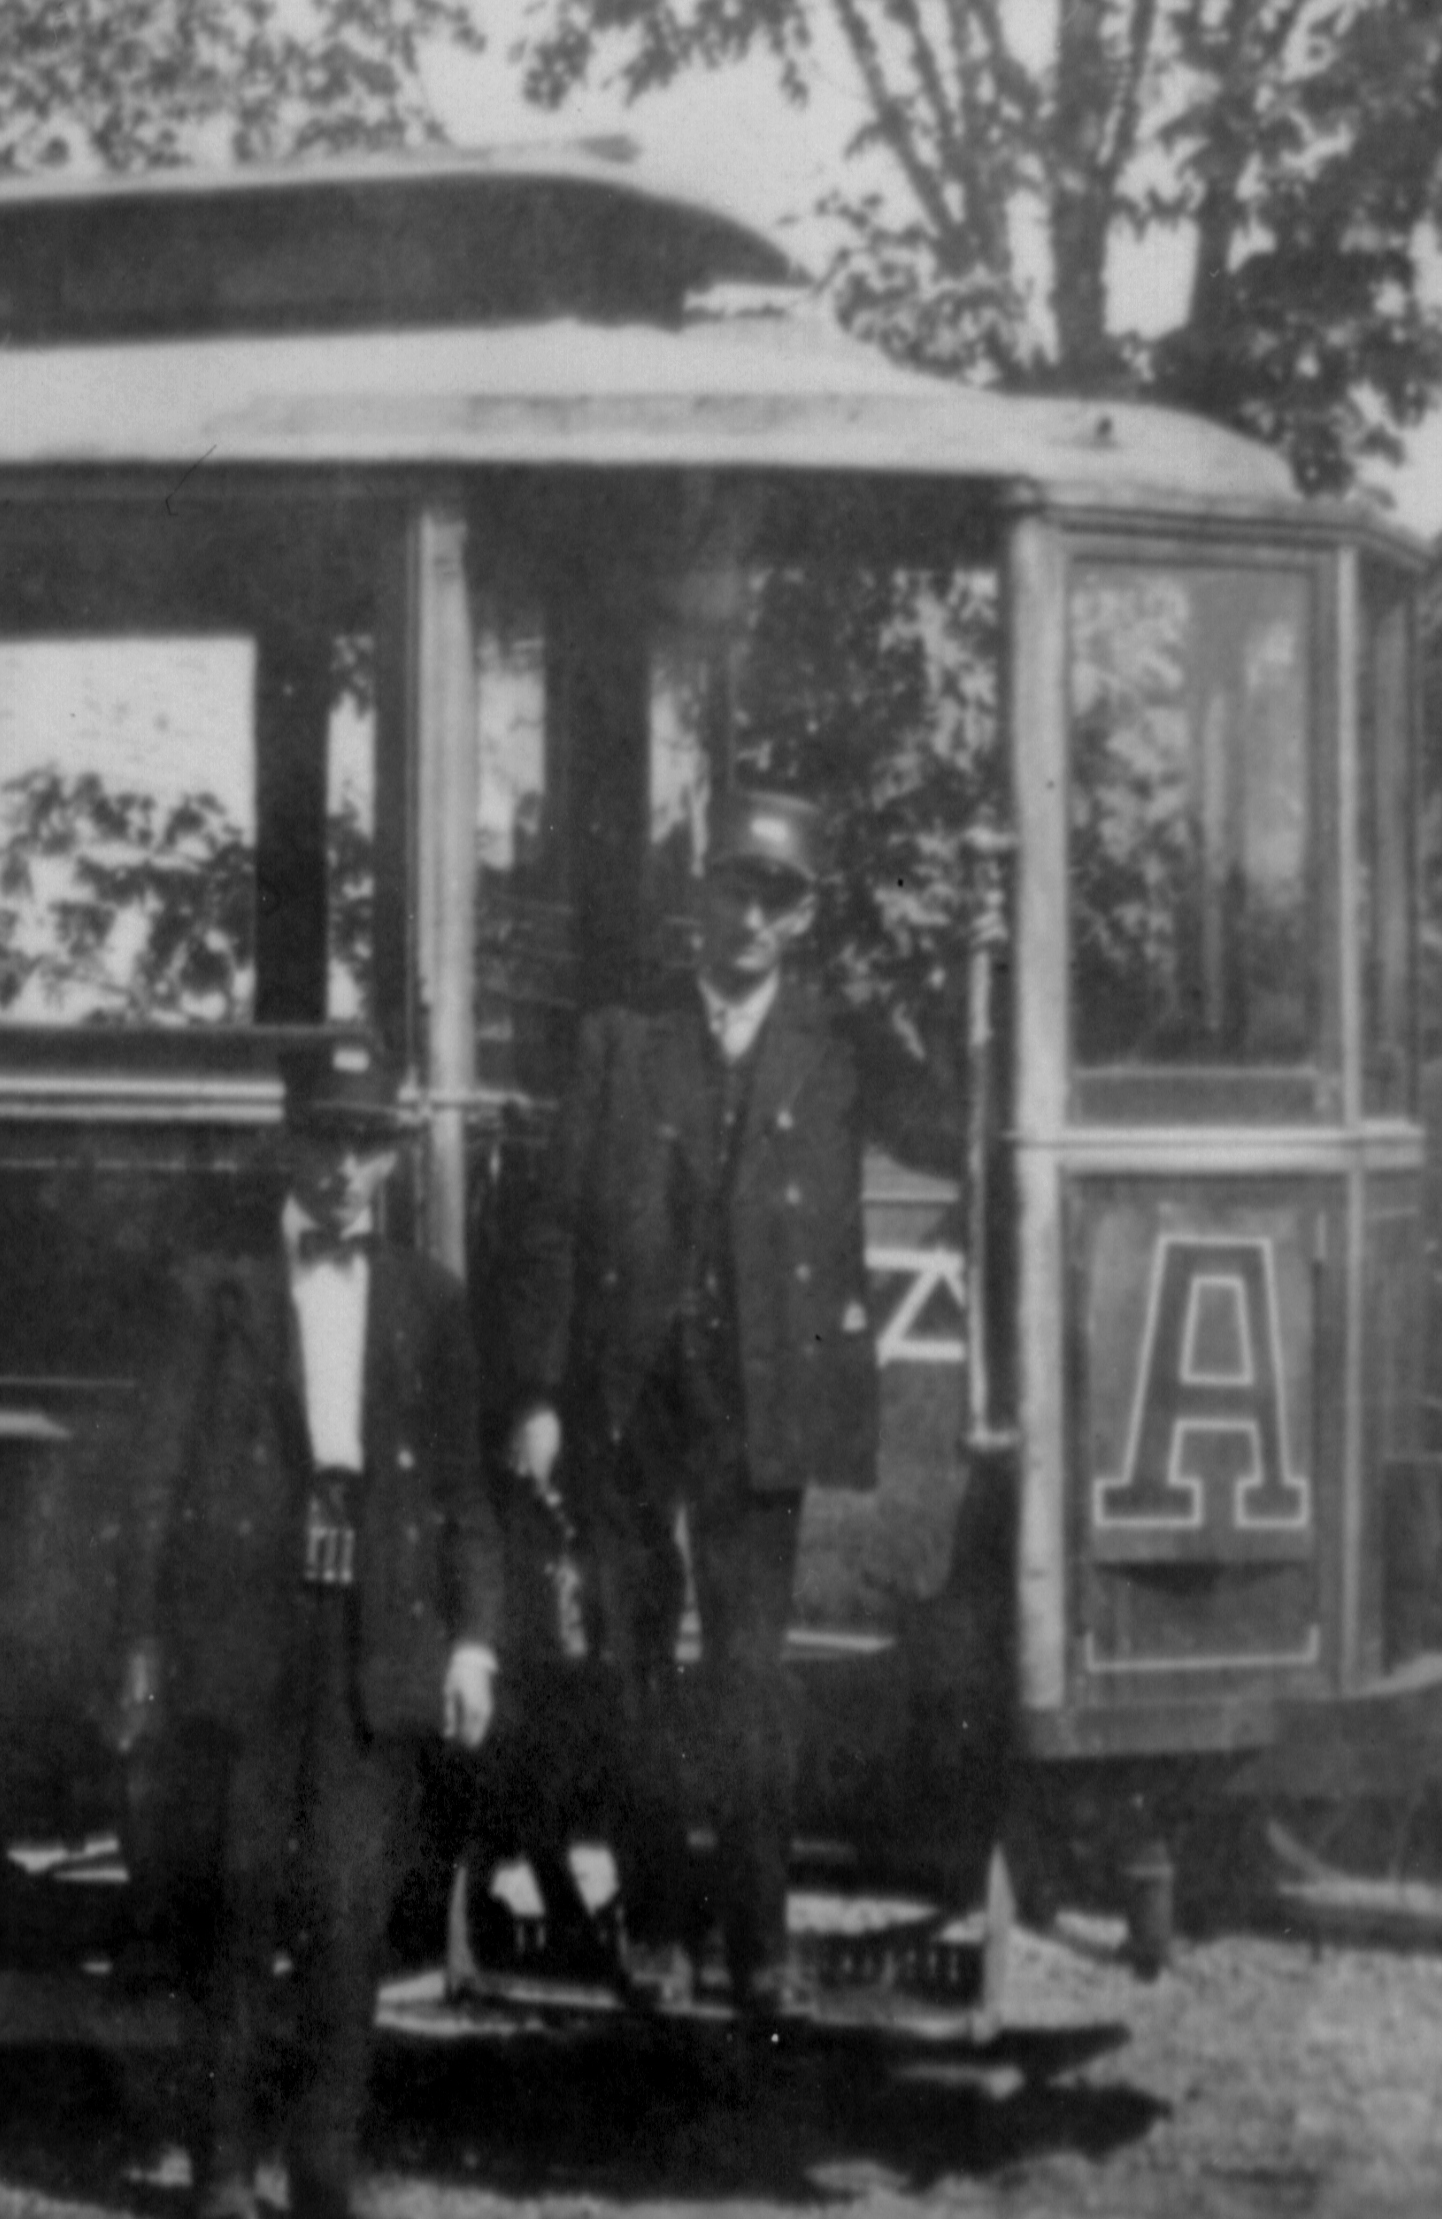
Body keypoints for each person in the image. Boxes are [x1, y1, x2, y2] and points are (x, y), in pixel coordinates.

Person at [492, 786, 878, 2033]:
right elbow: (554, 1225)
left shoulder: (835, 1052)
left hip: (755, 1407)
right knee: (632, 1665)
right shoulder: (621, 1041)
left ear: (803, 917)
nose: (750, 917)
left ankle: (760, 1945)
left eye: (777, 898)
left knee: (749, 1675)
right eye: (733, 890)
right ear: (700, 898)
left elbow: (928, 1145)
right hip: (625, 1400)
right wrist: (540, 1394)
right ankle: (655, 1926)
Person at [111, 1039, 501, 2219]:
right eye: (325, 1138)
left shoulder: (430, 1300)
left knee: (346, 1913)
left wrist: (473, 1642)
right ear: (287, 1142)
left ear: (392, 1158)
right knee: (231, 1902)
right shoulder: (211, 1288)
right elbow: (153, 1482)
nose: (342, 1168)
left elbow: (462, 1491)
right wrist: (140, 1649)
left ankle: (325, 2174)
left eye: (365, 1144)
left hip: (373, 1640)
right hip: (240, 1631)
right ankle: (223, 2168)